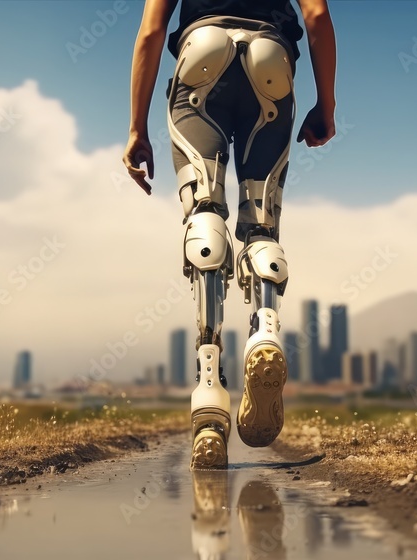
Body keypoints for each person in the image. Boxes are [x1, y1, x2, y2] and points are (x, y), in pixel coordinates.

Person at [124, 0, 337, 469]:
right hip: (271, 59)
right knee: (261, 224)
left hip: (202, 55)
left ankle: (208, 398)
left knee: (205, 212)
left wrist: (137, 127)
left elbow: (151, 32)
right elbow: (317, 17)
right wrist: (327, 103)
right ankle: (266, 332)